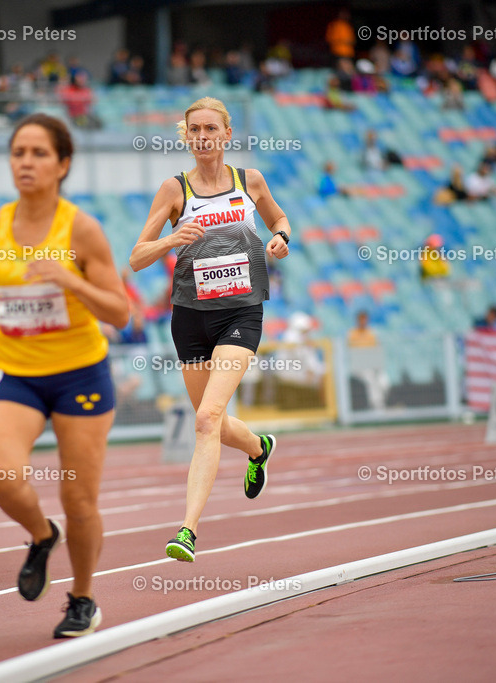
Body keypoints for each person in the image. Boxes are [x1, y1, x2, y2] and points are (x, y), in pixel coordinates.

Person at [0, 113, 129, 639]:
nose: (26, 162)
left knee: (79, 498)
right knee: (0, 473)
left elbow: (120, 312)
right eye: (19, 153)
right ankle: (41, 535)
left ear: (62, 164)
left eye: (39, 153)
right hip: (16, 371)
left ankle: (83, 598)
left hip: (79, 373)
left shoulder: (81, 228)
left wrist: (69, 279)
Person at [129, 96, 291, 562]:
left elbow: (278, 219)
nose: (202, 136)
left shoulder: (250, 181)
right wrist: (169, 239)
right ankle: (259, 447)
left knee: (205, 420)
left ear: (226, 134)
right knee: (212, 424)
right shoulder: (173, 190)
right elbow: (136, 258)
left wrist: (281, 237)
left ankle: (187, 531)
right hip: (190, 318)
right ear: (186, 135)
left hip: (241, 312)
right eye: (194, 129)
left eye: (210, 128)